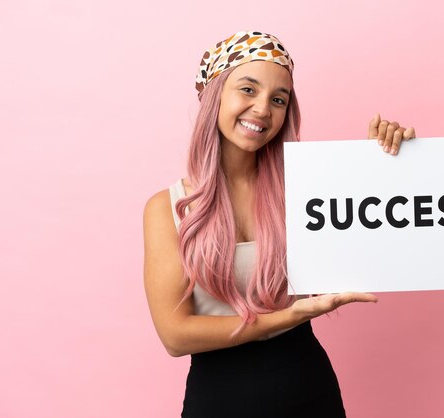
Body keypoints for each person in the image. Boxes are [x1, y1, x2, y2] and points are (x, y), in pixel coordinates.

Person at [143, 30, 416, 418]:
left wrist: (385, 166)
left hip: (308, 388)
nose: (262, 109)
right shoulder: (167, 207)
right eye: (248, 90)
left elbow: (376, 233)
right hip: (219, 400)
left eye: (278, 100)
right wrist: (284, 319)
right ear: (215, 94)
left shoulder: (304, 192)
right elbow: (175, 335)